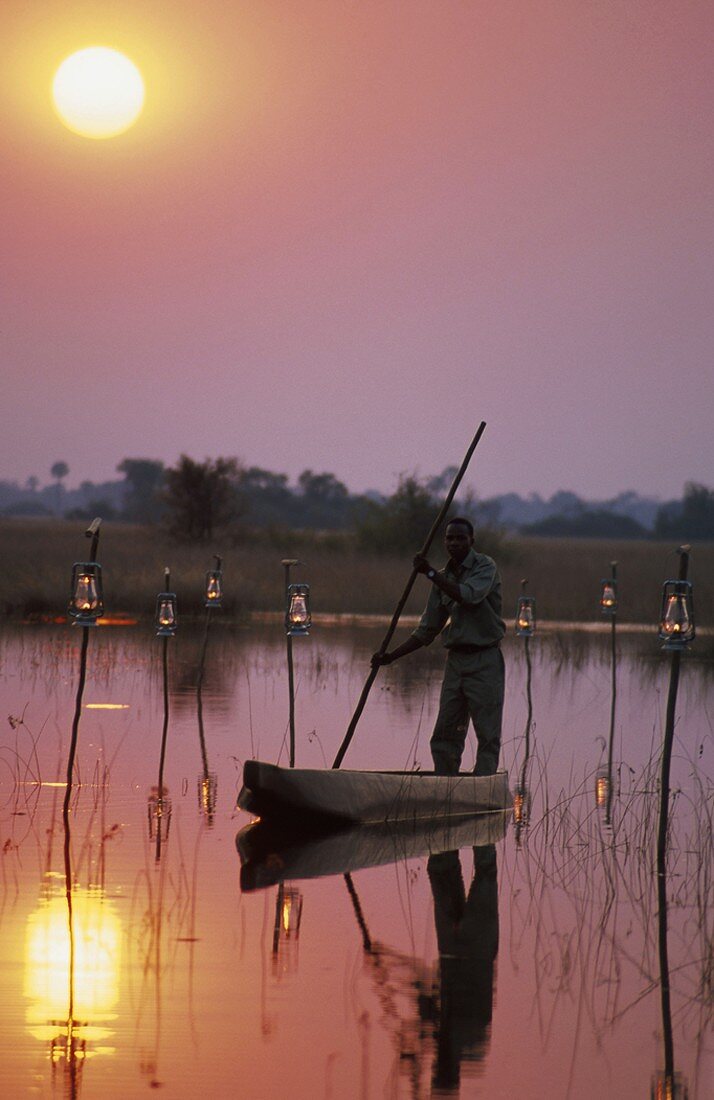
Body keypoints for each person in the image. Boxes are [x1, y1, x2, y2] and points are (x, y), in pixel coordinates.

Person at [371, 517, 505, 775]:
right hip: (456, 661)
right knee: (445, 733)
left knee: (487, 734)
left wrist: (429, 573)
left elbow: (467, 596)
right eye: (449, 538)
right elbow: (427, 630)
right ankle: (446, 786)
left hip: (485, 659)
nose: (454, 543)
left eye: (460, 538)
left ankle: (483, 787)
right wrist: (390, 657)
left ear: (471, 541)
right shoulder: (443, 578)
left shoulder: (485, 567)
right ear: (444, 541)